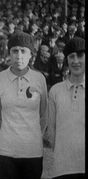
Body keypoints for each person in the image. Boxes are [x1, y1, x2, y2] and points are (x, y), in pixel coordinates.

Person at [0, 32, 48, 179]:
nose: (19, 55)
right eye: (15, 50)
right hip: (6, 151)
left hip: (33, 151)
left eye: (23, 51)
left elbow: (44, 115)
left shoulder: (39, 78)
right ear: (9, 53)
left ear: (31, 54)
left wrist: (34, 137)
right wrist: (5, 139)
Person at [46, 37, 85, 179]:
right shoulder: (55, 90)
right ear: (67, 60)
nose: (76, 61)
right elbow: (51, 130)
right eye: (71, 56)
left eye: (80, 56)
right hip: (62, 167)